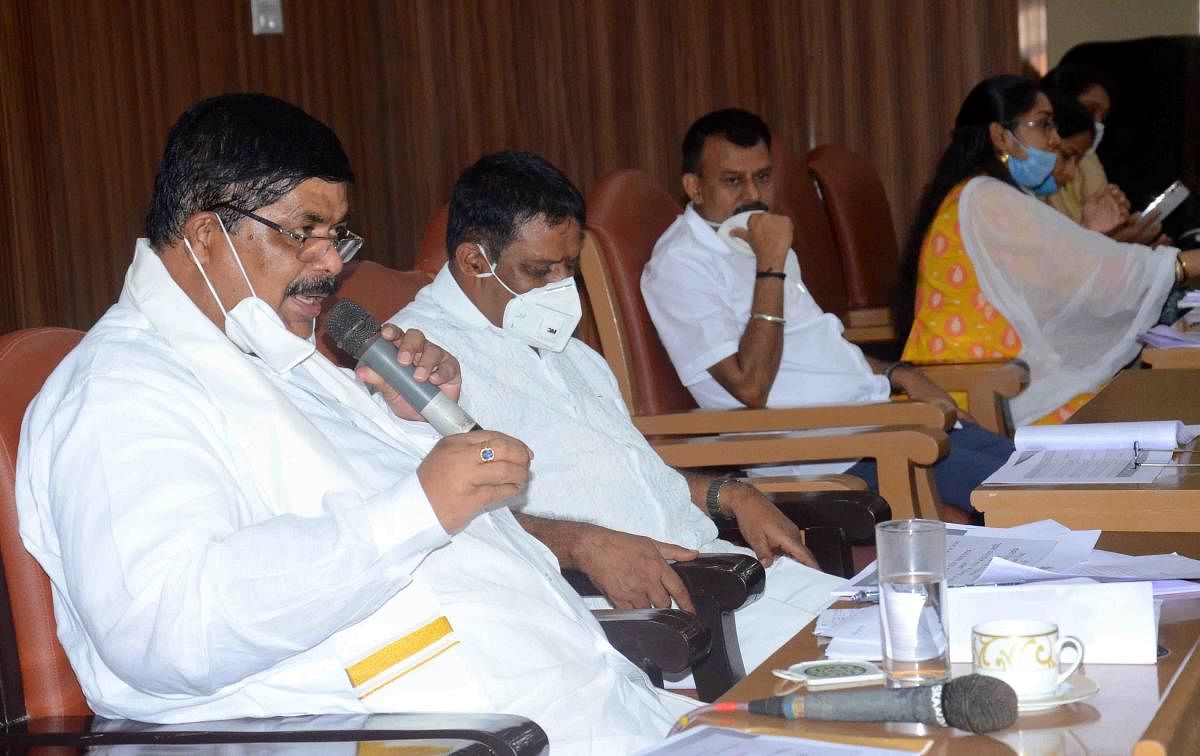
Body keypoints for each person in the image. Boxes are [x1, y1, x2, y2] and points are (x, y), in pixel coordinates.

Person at [14, 94, 688, 754]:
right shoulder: (120, 392)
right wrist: (417, 504)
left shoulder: (275, 352)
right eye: (302, 233)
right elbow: (167, 627)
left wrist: (412, 425)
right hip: (453, 736)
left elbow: (380, 516)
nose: (331, 263)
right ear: (204, 233)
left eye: (336, 235)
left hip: (596, 705)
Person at [389, 150, 844, 679]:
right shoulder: (418, 361)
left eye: (569, 267)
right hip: (633, 620)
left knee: (912, 622)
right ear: (473, 261)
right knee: (879, 674)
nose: (562, 287)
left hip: (717, 571)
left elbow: (630, 474)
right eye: (540, 270)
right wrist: (582, 546)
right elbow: (441, 523)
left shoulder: (564, 347)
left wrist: (730, 494)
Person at [640, 109, 1014, 517]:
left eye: (762, 177)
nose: (752, 194)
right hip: (830, 456)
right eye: (733, 181)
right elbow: (750, 388)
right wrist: (771, 266)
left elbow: (819, 344)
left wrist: (899, 374)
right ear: (694, 187)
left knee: (1041, 472)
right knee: (1031, 498)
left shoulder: (757, 235)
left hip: (878, 422)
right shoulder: (681, 264)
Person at [897, 75, 1200, 425]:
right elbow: (1079, 277)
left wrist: (1097, 242)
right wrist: (1183, 263)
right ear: (1000, 136)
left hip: (1005, 379)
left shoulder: (987, 195)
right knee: (1157, 412)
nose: (1055, 139)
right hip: (981, 390)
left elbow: (1062, 282)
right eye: (1043, 125)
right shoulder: (985, 196)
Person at [1040, 65, 1164, 246]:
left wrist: (1129, 238)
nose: (1097, 124)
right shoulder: (1031, 178)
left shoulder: (1089, 160)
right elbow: (1056, 263)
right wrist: (1116, 242)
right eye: (1090, 110)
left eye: (1103, 117)